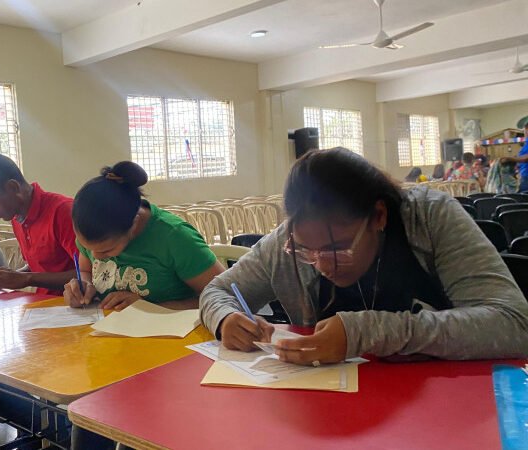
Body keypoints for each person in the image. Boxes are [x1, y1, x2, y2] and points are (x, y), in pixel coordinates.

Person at [200, 147, 528, 365]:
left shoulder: (430, 217)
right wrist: (225, 319)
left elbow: (515, 325)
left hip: (446, 405)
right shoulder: (290, 241)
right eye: (306, 251)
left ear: (379, 217)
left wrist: (366, 331)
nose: (323, 264)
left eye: (337, 248)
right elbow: (217, 291)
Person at [63, 161, 224, 311]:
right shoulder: (93, 233)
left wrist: (149, 308)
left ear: (134, 224)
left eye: (107, 250)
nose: (96, 256)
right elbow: (86, 270)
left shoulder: (175, 237)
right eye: (87, 248)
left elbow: (224, 296)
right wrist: (83, 285)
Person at [0, 153, 77, 295]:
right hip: (43, 306)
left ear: (13, 187)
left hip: (75, 307)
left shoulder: (63, 212)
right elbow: (38, 268)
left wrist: (28, 278)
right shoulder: (17, 217)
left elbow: (92, 273)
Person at [500, 116, 528, 192]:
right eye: (525, 129)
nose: (525, 131)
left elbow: (526, 158)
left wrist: (510, 159)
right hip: (524, 175)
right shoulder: (526, 143)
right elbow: (521, 157)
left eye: (526, 128)